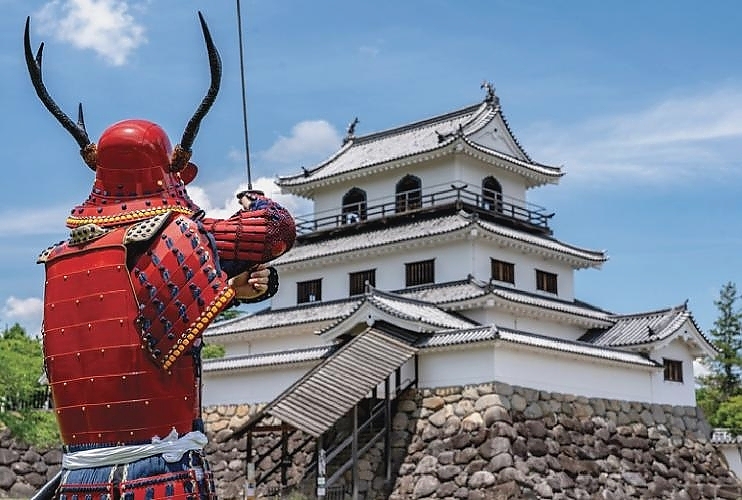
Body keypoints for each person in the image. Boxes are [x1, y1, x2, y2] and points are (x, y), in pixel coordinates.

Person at [25, 12, 295, 500]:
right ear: (171, 168)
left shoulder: (65, 255)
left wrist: (230, 293)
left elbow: (145, 323)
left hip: (79, 481)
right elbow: (273, 230)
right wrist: (257, 203)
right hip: (162, 478)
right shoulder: (177, 231)